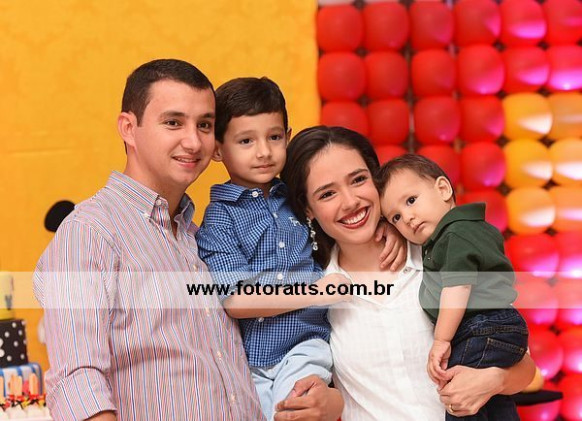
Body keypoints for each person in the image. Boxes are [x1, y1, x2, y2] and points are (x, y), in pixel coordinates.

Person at [33, 60, 340, 421]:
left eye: (204, 125)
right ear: (129, 128)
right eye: (173, 122)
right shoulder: (90, 232)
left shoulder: (199, 237)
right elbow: (76, 379)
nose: (193, 142)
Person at [280, 126, 536, 421]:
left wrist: (494, 381)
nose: (350, 202)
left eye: (359, 180)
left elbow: (525, 369)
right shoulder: (315, 293)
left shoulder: (442, 256)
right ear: (308, 209)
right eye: (327, 194)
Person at [195, 77, 404, 420]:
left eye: (274, 137)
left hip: (306, 345)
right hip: (250, 359)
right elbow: (235, 299)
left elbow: (342, 219)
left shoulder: (295, 195)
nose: (263, 152)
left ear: (287, 137)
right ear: (217, 149)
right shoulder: (219, 218)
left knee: (295, 408)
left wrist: (387, 225)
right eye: (246, 141)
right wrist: (317, 292)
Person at [377, 154, 528, 420]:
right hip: (497, 325)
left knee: (456, 394)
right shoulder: (459, 233)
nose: (407, 218)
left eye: (411, 200)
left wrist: (441, 340)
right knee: (491, 402)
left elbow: (457, 287)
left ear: (443, 189)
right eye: (396, 217)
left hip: (481, 327)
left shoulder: (455, 234)